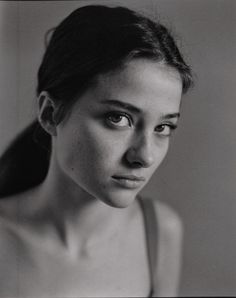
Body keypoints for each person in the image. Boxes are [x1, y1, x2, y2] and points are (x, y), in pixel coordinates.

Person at [0, 4, 193, 297]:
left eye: (163, 127)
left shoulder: (159, 232)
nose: (145, 156)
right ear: (50, 114)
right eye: (118, 118)